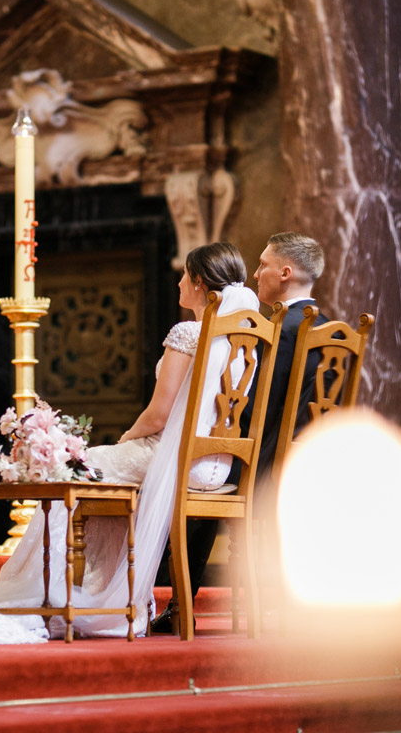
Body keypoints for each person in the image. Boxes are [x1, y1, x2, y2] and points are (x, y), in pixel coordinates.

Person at [0, 242, 258, 644]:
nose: (179, 282)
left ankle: (55, 594)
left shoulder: (188, 332)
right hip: (215, 466)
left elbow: (160, 414)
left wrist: (127, 437)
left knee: (79, 469)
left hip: (171, 457)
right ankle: (106, 597)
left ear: (200, 282)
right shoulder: (245, 339)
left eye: (185, 275)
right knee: (100, 474)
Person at [150, 231, 327, 633]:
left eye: (263, 265)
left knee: (202, 469)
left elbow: (246, 403)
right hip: (304, 464)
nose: (255, 273)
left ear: (285, 273)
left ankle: (180, 605)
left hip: (264, 464)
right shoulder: (328, 329)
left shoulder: (274, 331)